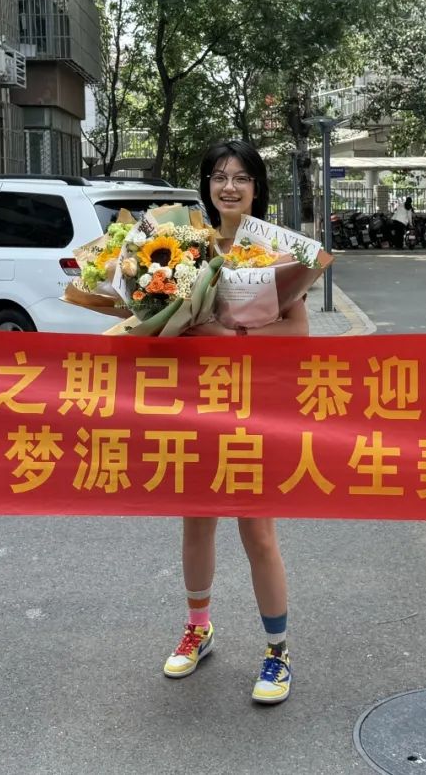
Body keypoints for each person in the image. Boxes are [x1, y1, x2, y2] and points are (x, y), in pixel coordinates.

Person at [163, 140, 305, 705]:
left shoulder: (280, 250)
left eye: (242, 178)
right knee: (196, 521)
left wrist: (227, 337)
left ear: (257, 187)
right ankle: (198, 627)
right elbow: (156, 323)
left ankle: (277, 651)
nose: (229, 186)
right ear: (206, 185)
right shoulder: (178, 248)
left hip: (254, 406)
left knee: (258, 530)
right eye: (220, 176)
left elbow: (297, 335)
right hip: (195, 407)